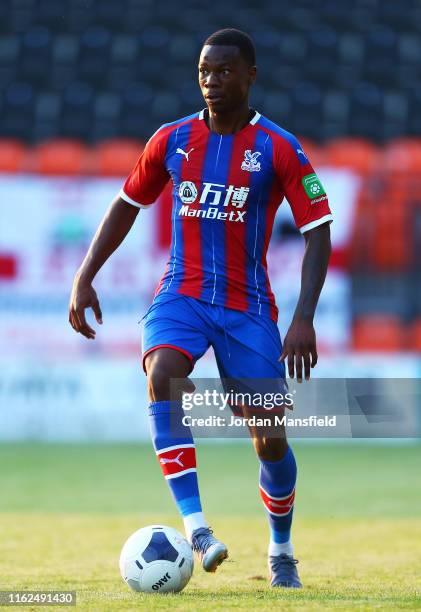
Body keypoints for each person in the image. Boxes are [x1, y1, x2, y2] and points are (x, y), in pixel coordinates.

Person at [69, 28, 332, 588]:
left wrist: (304, 316)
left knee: (270, 436)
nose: (212, 81)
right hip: (181, 294)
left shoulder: (279, 148)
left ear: (250, 76)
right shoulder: (171, 140)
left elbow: (318, 230)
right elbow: (126, 204)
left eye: (224, 71)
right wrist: (85, 275)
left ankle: (281, 548)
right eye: (204, 72)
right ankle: (198, 528)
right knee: (161, 373)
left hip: (248, 306)